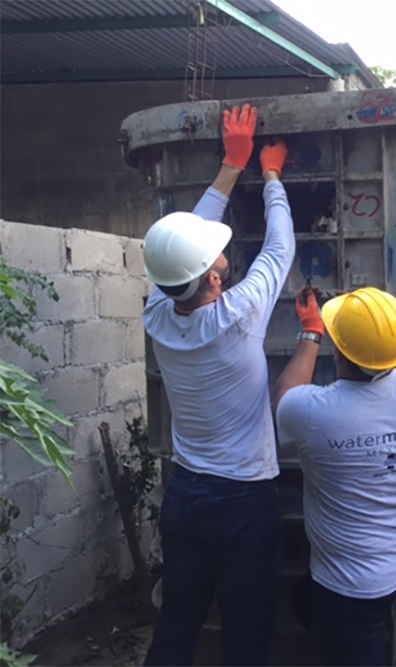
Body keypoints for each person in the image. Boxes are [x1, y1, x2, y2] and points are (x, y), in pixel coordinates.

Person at [141, 104, 294, 667]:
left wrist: (232, 165)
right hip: (241, 501)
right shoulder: (238, 314)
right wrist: (270, 175)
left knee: (177, 624)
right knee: (248, 633)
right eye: (216, 255)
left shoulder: (158, 311)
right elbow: (280, 250)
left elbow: (174, 252)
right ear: (212, 276)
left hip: (186, 495)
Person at [273, 286, 396, 666]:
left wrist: (312, 329)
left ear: (339, 350)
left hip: (348, 584)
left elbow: (282, 397)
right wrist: (369, 323)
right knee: (307, 602)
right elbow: (395, 359)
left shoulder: (313, 413)